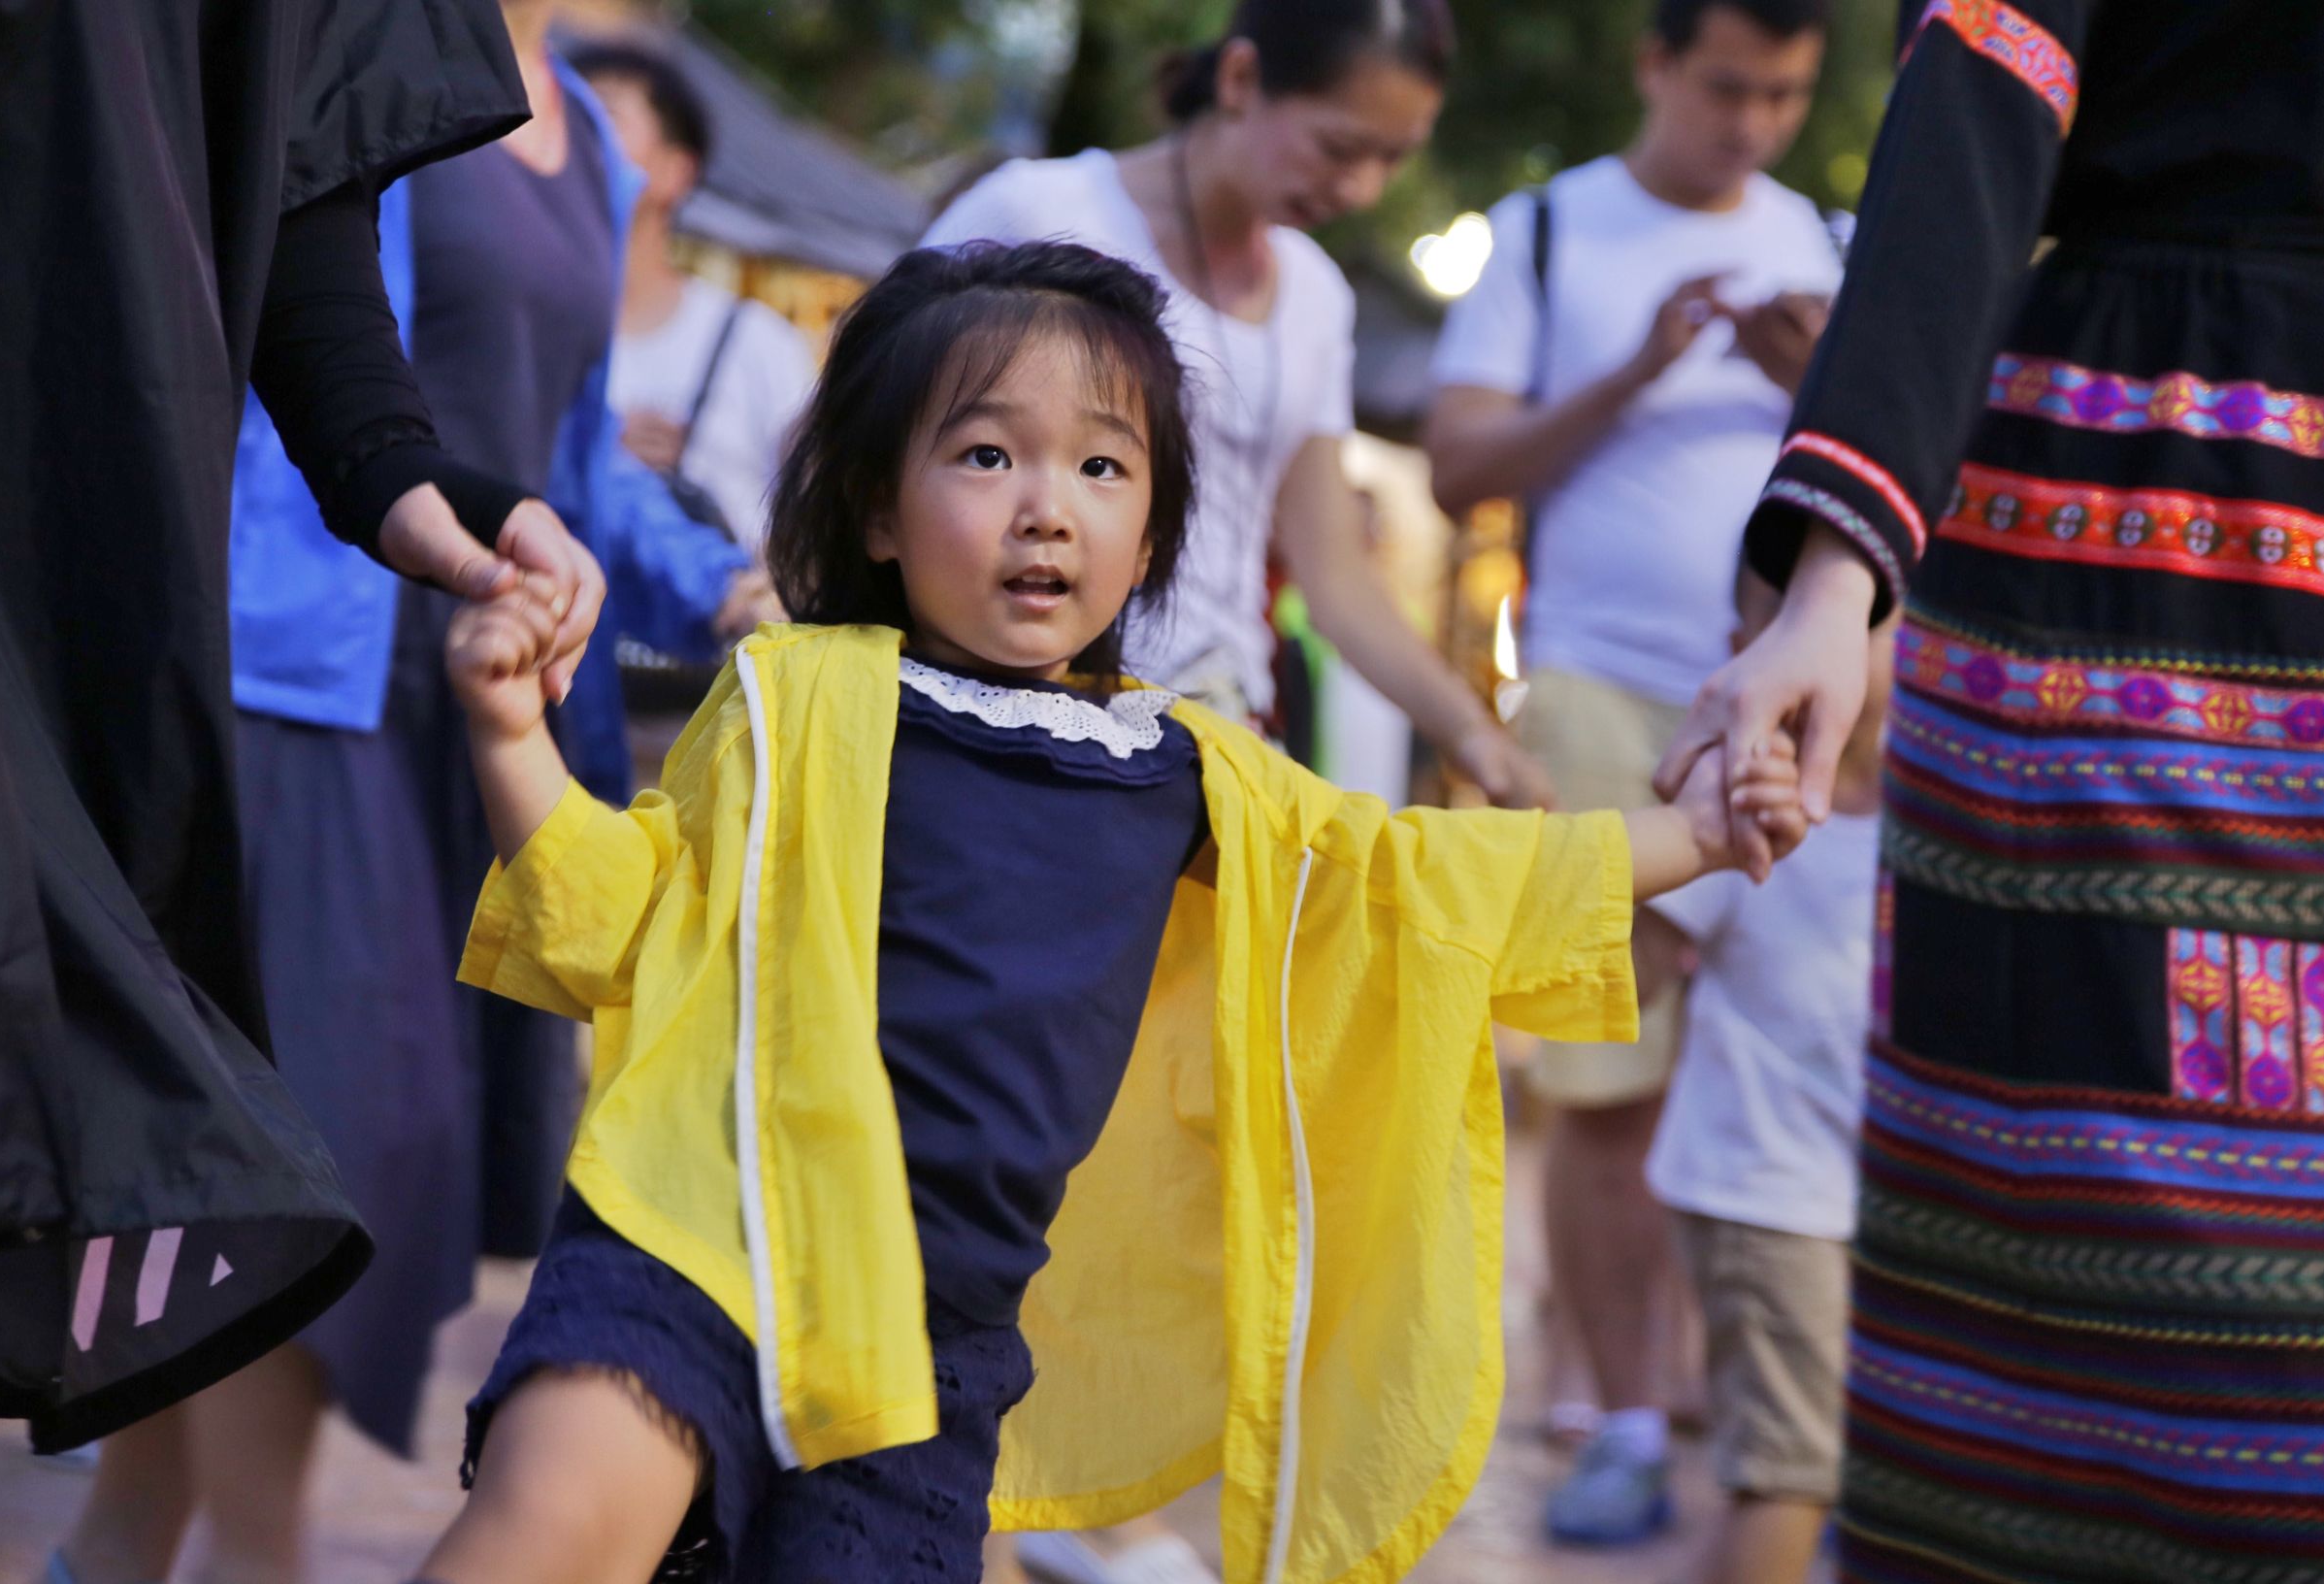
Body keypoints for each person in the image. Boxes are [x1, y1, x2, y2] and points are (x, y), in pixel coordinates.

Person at [404, 240, 1805, 1584]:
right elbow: (620, 924)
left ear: (1147, 543)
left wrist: (1697, 830)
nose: (1045, 505)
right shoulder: (802, 698)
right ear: (881, 512)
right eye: (985, 453)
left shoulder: (1187, 773)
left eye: (1100, 465)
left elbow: (1428, 880)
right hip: (703, 1236)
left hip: (932, 1344)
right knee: (549, 1532)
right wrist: (508, 734)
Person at [40, 5, 752, 1580]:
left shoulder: (583, 134)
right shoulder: (338, 53)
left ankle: (124, 1541)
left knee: (307, 1154)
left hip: (475, 715)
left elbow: (566, 460)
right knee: (320, 1147)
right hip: (300, 688)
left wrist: (719, 586)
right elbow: (259, 352)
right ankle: (261, 1560)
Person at [1656, 3, 2324, 1578]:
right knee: (2090, 1246)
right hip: (2135, 529)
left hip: (2147, 497)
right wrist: (1835, 581)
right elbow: (1971, 124)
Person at [0, 0, 606, 1459]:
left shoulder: (599, 140)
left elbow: (298, 164)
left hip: (82, 602)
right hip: (248, 688)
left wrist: (396, 469)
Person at [1419, 0, 1838, 1544]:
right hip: (1596, 682)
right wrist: (1639, 372)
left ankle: (1749, 1408)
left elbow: (1912, 488)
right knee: (1609, 1083)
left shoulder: (1836, 241)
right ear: (1657, 64)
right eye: (1727, 86)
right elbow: (1459, 468)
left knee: (1785, 1060)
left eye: (1785, 94)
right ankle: (1615, 1416)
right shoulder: (1547, 232)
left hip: (1798, 706)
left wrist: (1823, 391)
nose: (1753, 123)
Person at [923, 0, 1548, 812]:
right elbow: (862, 436)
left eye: (1389, 161)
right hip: (1018, 724)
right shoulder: (1035, 214)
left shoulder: (1315, 297)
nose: (1359, 187)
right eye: (1339, 147)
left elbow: (1334, 572)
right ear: (1240, 77)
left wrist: (1472, 736)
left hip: (1216, 738)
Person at [1635, 572, 1890, 1584]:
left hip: (1854, 1201)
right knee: (1789, 1475)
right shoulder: (1752, 801)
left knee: (1810, 1469)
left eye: (1866, 620)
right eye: (1776, 620)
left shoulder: (1935, 816)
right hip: (1761, 1186)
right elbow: (1634, 965)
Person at [576, 40, 818, 587]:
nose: (574, 134)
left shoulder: (755, 342)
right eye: (565, 113)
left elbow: (814, 521)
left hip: (712, 661)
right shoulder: (519, 330)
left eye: (604, 114)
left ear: (675, 171)